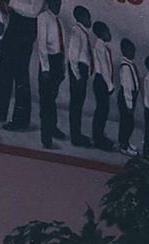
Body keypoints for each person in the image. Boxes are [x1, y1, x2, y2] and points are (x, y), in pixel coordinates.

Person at [0, 0, 43, 131]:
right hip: (16, 25)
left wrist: (11, 2)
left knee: (20, 74)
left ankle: (20, 121)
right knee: (4, 70)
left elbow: (34, 10)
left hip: (26, 29)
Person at [36, 0, 65, 149]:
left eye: (60, 3)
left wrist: (62, 67)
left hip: (57, 62)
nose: (58, 6)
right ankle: (46, 137)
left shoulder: (58, 20)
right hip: (48, 61)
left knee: (52, 98)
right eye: (55, 3)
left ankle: (53, 128)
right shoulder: (43, 17)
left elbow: (61, 46)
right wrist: (45, 69)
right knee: (46, 101)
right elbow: (42, 45)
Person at [66, 5, 93, 147]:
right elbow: (72, 56)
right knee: (76, 105)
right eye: (88, 17)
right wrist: (77, 76)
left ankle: (77, 134)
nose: (90, 20)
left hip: (81, 71)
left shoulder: (83, 33)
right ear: (82, 17)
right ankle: (75, 137)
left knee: (78, 104)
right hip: (78, 71)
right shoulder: (77, 31)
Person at [91, 21, 115, 151]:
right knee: (102, 110)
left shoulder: (103, 46)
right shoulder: (100, 47)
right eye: (107, 31)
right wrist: (110, 85)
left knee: (102, 110)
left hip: (102, 81)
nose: (109, 34)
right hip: (102, 81)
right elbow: (104, 68)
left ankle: (99, 135)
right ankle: (98, 139)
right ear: (101, 33)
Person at [117, 38, 140, 156]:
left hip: (131, 97)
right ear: (124, 51)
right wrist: (129, 105)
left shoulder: (130, 64)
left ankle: (125, 142)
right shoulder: (125, 67)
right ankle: (123, 145)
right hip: (127, 98)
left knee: (128, 122)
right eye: (130, 50)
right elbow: (126, 88)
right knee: (127, 123)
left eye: (134, 50)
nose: (133, 53)